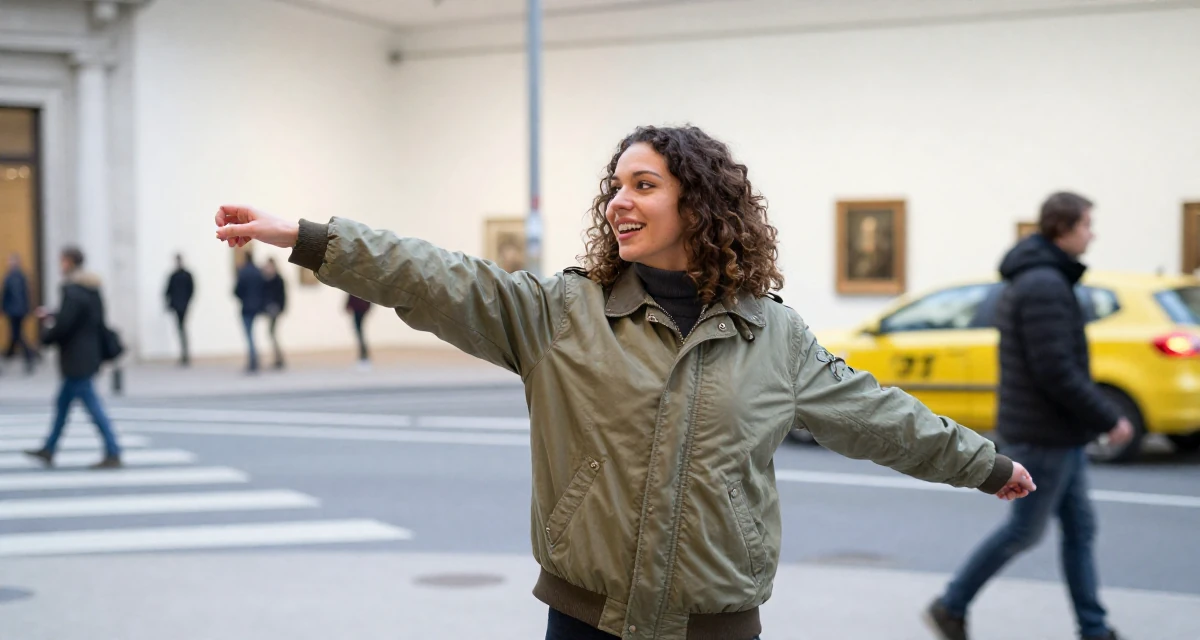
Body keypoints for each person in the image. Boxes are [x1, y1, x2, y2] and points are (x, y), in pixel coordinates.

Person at [213, 125, 1036, 640]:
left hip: (717, 627)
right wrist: (313, 240)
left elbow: (875, 415)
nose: (618, 202)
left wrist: (983, 464)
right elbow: (441, 279)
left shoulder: (772, 334)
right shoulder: (561, 312)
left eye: (643, 185)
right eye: (615, 186)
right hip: (585, 621)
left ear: (701, 204)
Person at [925, 192, 1129, 640]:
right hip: (1045, 434)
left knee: (1079, 530)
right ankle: (952, 603)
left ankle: (1094, 628)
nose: (1092, 233)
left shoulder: (1045, 279)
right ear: (1064, 228)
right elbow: (1055, 368)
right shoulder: (1044, 285)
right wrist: (1107, 417)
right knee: (1024, 532)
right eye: (1087, 224)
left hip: (1057, 433)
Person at [23, 246, 122, 469]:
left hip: (77, 359)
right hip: (88, 354)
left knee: (92, 406)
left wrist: (45, 337)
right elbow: (85, 319)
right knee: (63, 404)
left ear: (69, 262)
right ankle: (49, 448)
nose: (60, 265)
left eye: (62, 261)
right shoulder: (92, 289)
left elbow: (65, 325)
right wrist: (56, 315)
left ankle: (113, 450)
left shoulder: (72, 290)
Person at [3, 253, 37, 373]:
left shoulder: (19, 277)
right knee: (15, 335)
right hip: (12, 310)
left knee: (17, 335)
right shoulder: (9, 276)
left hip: (18, 310)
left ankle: (28, 355)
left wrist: (27, 309)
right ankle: (13, 356)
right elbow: (5, 295)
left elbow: (25, 294)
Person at [233, 249, 265, 373]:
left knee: (249, 335)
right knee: (252, 334)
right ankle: (254, 358)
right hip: (256, 307)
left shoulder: (243, 272)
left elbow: (237, 291)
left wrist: (243, 297)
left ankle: (253, 360)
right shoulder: (258, 272)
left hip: (246, 307)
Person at [165, 253, 195, 366]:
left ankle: (185, 355)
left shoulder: (181, 275)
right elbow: (168, 290)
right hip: (180, 305)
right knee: (181, 329)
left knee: (181, 329)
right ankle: (184, 354)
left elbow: (191, 290)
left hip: (181, 305)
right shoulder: (179, 275)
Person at [262, 257, 286, 369]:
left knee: (272, 333)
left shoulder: (278, 280)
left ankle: (279, 358)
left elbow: (282, 296)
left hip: (275, 310)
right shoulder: (268, 279)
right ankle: (278, 358)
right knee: (272, 333)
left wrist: (280, 308)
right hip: (270, 309)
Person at [346, 293, 372, 366]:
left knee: (359, 332)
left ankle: (364, 354)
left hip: (360, 309)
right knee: (359, 332)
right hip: (358, 309)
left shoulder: (357, 287)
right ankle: (363, 354)